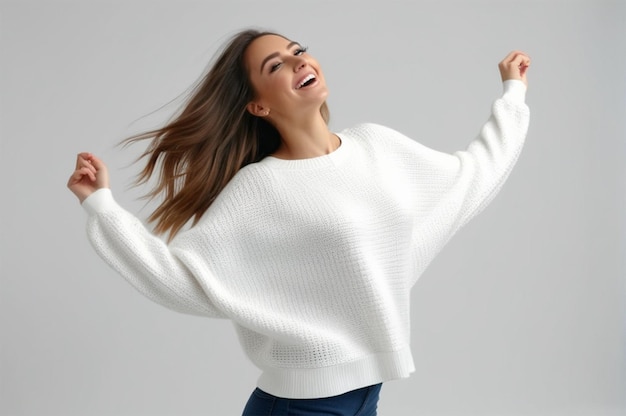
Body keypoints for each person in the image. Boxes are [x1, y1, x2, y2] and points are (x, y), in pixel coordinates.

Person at [67, 29, 530, 416]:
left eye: (297, 51)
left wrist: (513, 95)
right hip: (301, 406)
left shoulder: (377, 146)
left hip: (365, 394)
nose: (297, 62)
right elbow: (181, 281)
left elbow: (472, 178)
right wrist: (102, 208)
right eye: (275, 66)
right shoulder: (260, 188)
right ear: (258, 106)